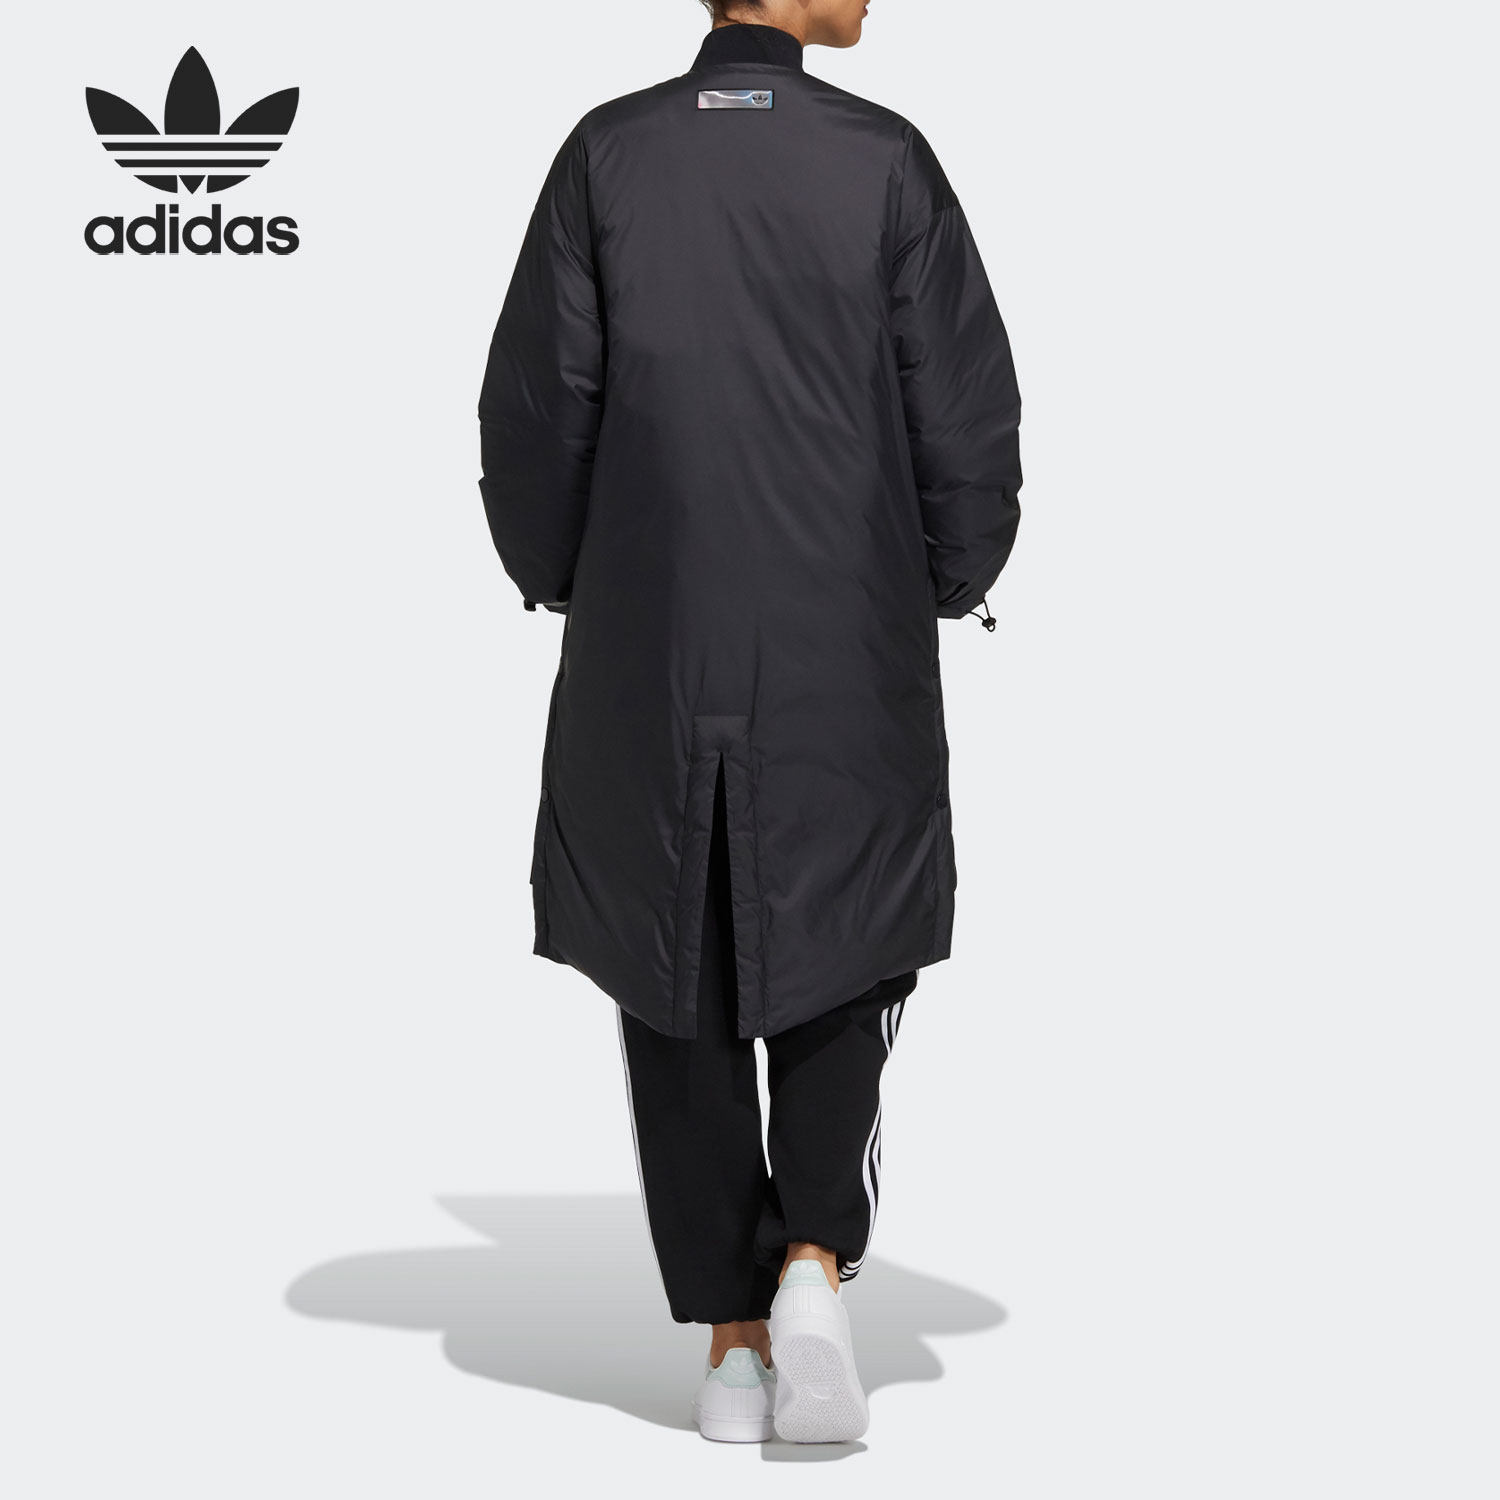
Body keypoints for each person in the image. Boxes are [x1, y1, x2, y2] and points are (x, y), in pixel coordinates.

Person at [476, 0, 1022, 1444]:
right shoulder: (884, 161)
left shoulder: (607, 157)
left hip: (649, 635)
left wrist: (567, 576)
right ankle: (813, 1266)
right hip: (845, 633)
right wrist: (951, 575)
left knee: (675, 955)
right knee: (843, 928)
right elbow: (964, 413)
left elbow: (536, 412)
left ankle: (728, 1348)